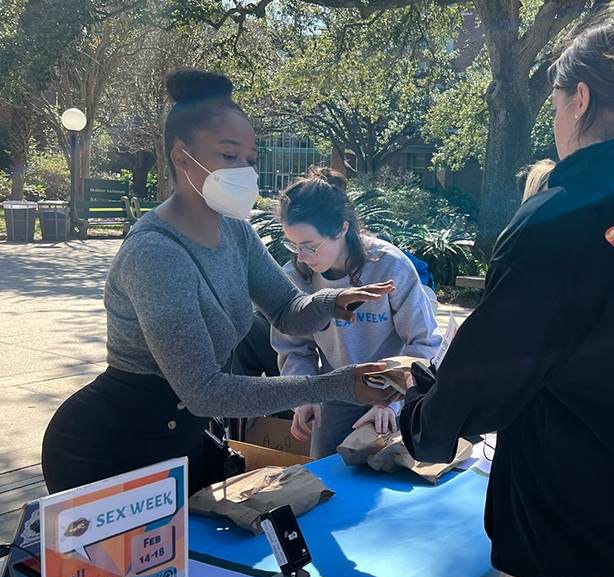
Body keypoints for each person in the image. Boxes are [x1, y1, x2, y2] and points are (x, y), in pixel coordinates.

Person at [400, 10, 614, 577]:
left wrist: (418, 412)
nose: (553, 119)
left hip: (593, 552)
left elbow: (472, 394)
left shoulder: (563, 219)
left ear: (579, 98)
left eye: (554, 103)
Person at [41, 71, 400, 495]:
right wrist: (335, 385)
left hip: (182, 442)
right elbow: (205, 393)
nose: (245, 171)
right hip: (109, 452)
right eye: (229, 156)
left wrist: (334, 301)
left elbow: (286, 310)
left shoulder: (235, 231)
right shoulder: (156, 255)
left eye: (250, 158)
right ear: (181, 158)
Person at [271, 167, 442, 459]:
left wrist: (393, 400)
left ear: (342, 229)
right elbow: (295, 349)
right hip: (336, 391)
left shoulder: (390, 266)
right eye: (294, 245)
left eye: (309, 246)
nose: (301, 257)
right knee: (326, 481)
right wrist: (304, 397)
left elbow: (424, 342)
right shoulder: (295, 276)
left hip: (394, 391)